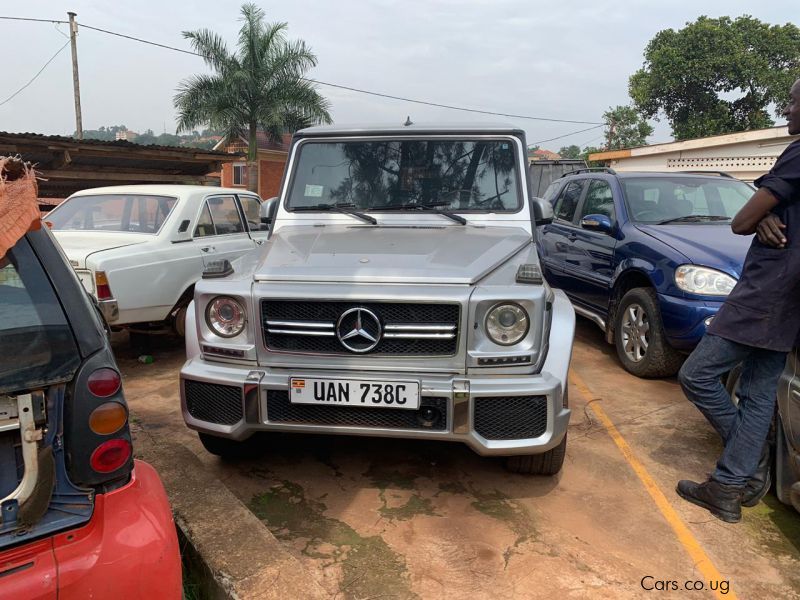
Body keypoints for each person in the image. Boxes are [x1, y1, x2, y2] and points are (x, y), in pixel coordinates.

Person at [676, 78, 800, 523]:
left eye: (792, 102)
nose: (786, 110)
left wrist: (759, 214)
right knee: (759, 392)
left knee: (696, 374)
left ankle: (746, 468)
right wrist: (768, 212)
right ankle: (728, 488)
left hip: (768, 292)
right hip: (789, 300)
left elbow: (740, 222)